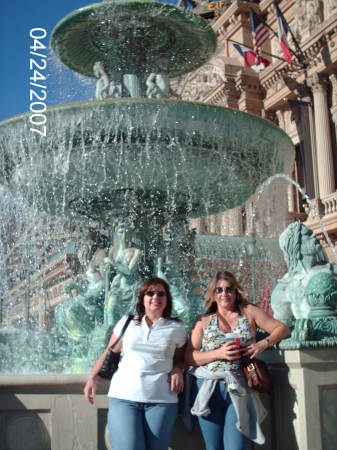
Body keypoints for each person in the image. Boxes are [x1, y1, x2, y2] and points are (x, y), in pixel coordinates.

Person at [185, 270, 290, 450]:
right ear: (213, 293)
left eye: (229, 289)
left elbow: (282, 329)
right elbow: (189, 356)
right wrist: (219, 353)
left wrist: (262, 344)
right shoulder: (203, 320)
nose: (224, 294)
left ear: (236, 291)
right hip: (208, 388)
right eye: (219, 290)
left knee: (237, 446)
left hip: (240, 384)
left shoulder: (249, 312)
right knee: (213, 447)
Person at [84, 277, 187, 450]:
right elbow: (110, 352)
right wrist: (92, 377)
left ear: (167, 299)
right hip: (124, 396)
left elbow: (182, 359)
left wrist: (177, 369)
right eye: (150, 293)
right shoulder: (127, 322)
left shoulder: (176, 328)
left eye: (161, 293)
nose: (155, 297)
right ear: (141, 299)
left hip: (161, 400)